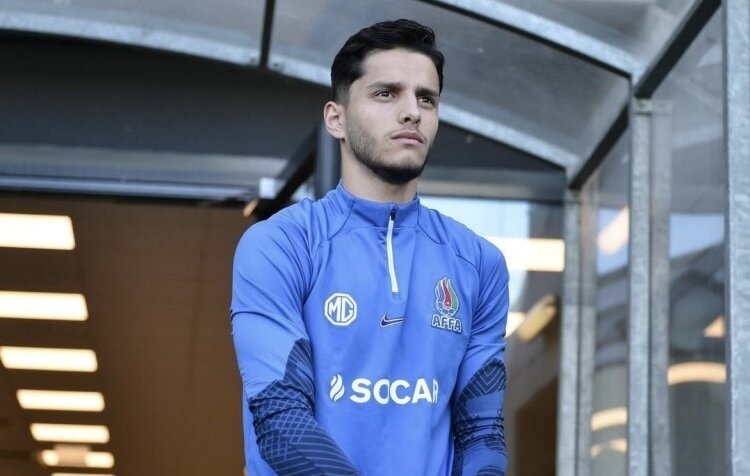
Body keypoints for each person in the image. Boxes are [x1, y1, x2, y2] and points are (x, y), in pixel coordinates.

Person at [231, 19, 509, 475]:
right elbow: (281, 421)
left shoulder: (479, 262)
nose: (412, 111)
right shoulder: (281, 244)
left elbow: (483, 432)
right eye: (386, 94)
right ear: (336, 119)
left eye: (426, 98)